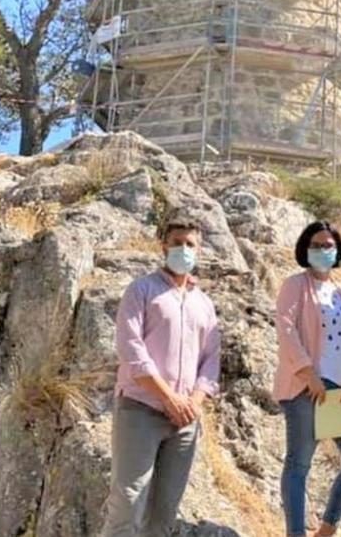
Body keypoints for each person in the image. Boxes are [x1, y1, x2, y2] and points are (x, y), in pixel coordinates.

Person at [102, 216, 221, 537]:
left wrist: (192, 402)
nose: (183, 249)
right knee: (127, 504)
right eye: (177, 242)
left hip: (185, 420)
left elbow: (211, 361)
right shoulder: (141, 290)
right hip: (141, 409)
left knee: (164, 514)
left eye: (190, 244)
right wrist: (169, 398)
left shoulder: (204, 305)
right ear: (163, 246)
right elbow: (131, 349)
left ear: (200, 250)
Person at [274, 221, 341, 537]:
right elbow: (285, 329)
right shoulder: (295, 285)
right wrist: (307, 373)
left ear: (338, 251)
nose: (322, 250)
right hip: (307, 388)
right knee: (299, 464)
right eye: (315, 245)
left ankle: (327, 529)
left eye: (328, 245)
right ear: (305, 250)